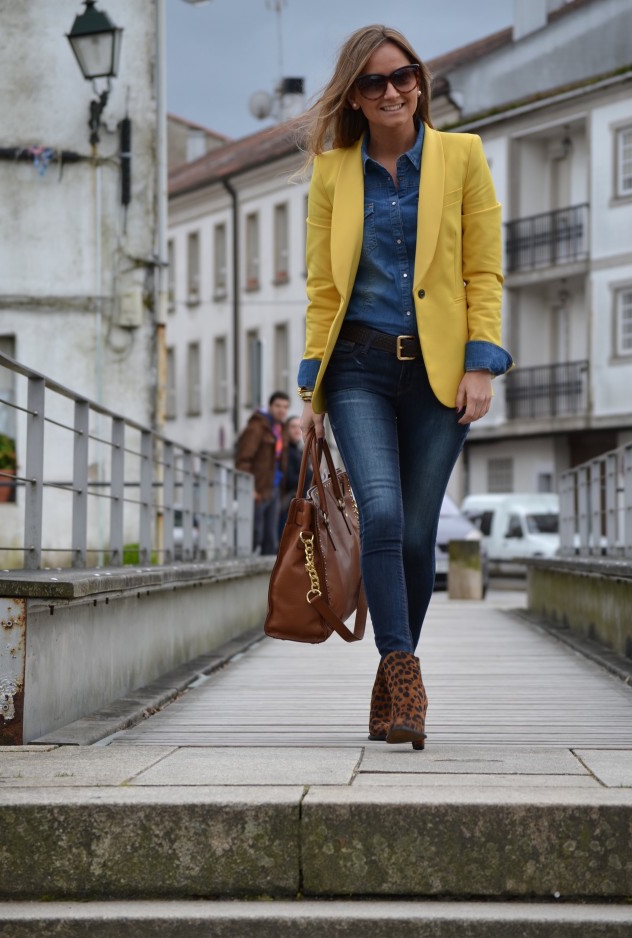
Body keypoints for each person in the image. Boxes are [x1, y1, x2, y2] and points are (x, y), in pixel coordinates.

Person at [297, 25, 513, 749]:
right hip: (357, 366)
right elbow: (322, 291)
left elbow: (484, 270)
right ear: (352, 97)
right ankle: (405, 672)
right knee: (382, 514)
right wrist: (308, 395)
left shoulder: (462, 157)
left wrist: (482, 362)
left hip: (441, 373)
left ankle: (392, 684)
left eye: (405, 76)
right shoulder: (333, 173)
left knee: (418, 534)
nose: (393, 91)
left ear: (419, 80)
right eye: (374, 83)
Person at [236, 390, 290, 555]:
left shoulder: (280, 429)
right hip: (258, 488)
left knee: (270, 537)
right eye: (278, 406)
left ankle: (269, 579)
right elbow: (243, 459)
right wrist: (249, 487)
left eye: (285, 407)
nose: (281, 410)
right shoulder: (257, 427)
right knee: (254, 533)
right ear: (270, 406)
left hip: (274, 488)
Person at [278, 415, 313, 534]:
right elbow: (288, 478)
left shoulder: (298, 450)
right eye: (292, 427)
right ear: (286, 430)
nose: (297, 430)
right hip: (289, 502)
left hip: (298, 501)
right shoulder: (285, 451)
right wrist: (309, 472)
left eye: (299, 427)